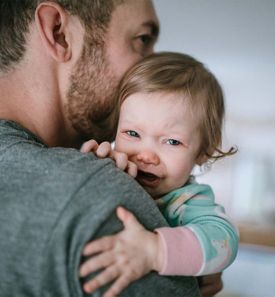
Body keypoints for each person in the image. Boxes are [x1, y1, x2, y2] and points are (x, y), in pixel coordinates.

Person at [0, 1, 216, 296]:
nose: (149, 67)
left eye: (172, 141)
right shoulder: (96, 193)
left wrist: (193, 252)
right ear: (59, 32)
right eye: (142, 40)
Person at [79, 52, 239, 297]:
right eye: (132, 134)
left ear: (203, 151)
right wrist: (96, 160)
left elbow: (225, 241)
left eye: (172, 141)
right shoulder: (114, 163)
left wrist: (154, 251)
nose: (146, 155)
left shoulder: (187, 202)